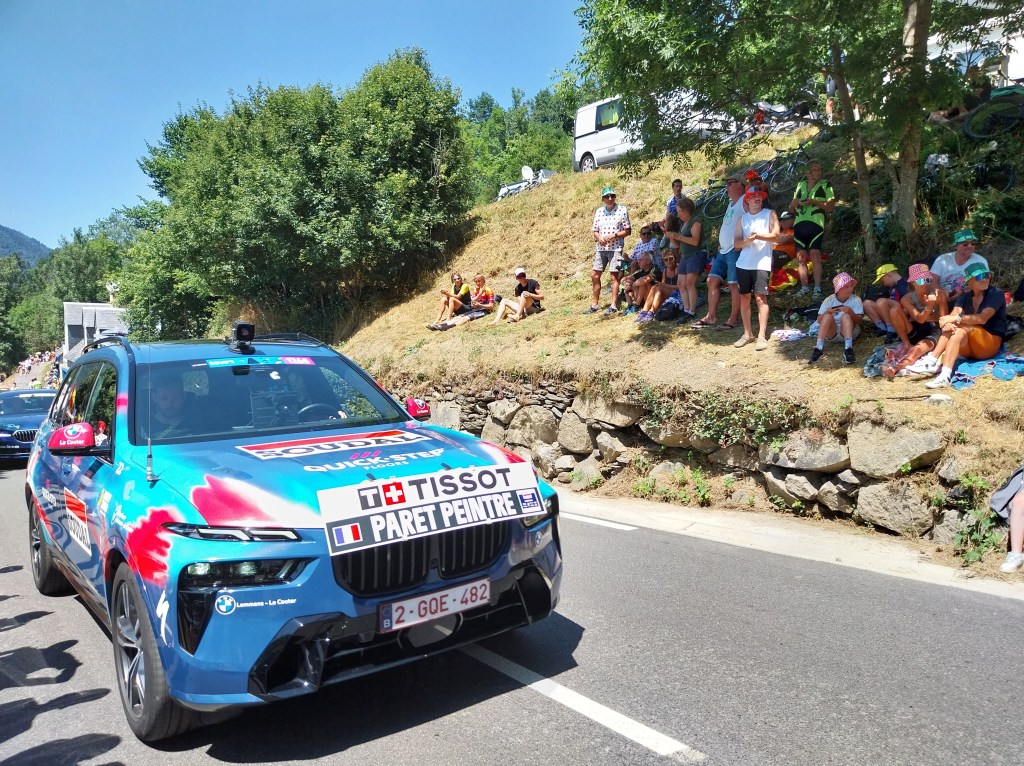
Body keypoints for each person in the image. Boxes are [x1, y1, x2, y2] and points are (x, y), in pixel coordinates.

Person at [925, 262, 1007, 389]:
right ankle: (940, 371)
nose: (985, 279)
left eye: (987, 275)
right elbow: (953, 315)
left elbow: (982, 319)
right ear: (970, 281)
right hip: (969, 349)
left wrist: (953, 319)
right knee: (957, 330)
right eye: (980, 277)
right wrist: (948, 322)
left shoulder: (995, 293)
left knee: (961, 328)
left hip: (989, 344)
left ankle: (932, 360)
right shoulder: (965, 297)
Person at [692, 177, 744, 330]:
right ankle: (711, 316)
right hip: (723, 250)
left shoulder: (745, 200)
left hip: (735, 250)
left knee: (734, 285)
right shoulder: (730, 203)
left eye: (730, 183)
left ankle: (733, 319)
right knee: (711, 281)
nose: (727, 186)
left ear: (740, 184)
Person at [732, 186, 779, 350]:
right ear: (747, 200)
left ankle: (761, 336)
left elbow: (776, 235)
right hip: (743, 264)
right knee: (744, 297)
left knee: (760, 298)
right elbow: (737, 243)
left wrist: (758, 236)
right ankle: (747, 334)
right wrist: (747, 242)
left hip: (762, 263)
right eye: (753, 196)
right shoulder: (742, 219)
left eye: (760, 195)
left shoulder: (769, 214)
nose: (757, 198)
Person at [884, 264, 949, 377]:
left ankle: (895, 368)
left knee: (917, 350)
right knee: (895, 310)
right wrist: (929, 308)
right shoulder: (907, 298)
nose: (924, 283)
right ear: (912, 282)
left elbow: (944, 319)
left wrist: (933, 314)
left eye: (927, 280)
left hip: (933, 331)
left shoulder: (939, 294)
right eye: (920, 281)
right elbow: (919, 319)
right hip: (916, 329)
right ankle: (906, 343)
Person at [788, 161, 835, 296]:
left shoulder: (826, 185)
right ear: (807, 172)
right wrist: (792, 204)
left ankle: (817, 288)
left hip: (816, 223)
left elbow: (830, 207)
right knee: (801, 257)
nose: (818, 172)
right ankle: (804, 288)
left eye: (819, 170)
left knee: (815, 254)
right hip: (799, 223)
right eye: (815, 170)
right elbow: (791, 209)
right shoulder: (800, 185)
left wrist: (814, 202)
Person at [586, 187, 631, 316]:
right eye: (607, 196)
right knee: (595, 274)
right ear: (603, 199)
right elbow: (594, 230)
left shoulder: (622, 210)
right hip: (601, 248)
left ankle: (613, 305)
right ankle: (594, 305)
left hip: (615, 247)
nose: (610, 198)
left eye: (612, 196)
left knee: (614, 276)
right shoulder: (599, 211)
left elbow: (628, 230)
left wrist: (614, 235)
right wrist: (599, 238)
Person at [808, 272, 863, 364]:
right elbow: (818, 320)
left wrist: (850, 312)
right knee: (827, 316)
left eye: (851, 286)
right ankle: (818, 348)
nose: (850, 289)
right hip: (831, 333)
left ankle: (848, 349)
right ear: (838, 289)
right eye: (846, 287)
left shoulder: (856, 299)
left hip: (849, 332)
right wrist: (827, 312)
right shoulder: (829, 300)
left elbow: (859, 321)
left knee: (846, 316)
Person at [662, 197, 703, 318]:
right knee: (681, 284)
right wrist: (671, 237)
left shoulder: (695, 222)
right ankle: (686, 309)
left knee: (690, 283)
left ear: (686, 210)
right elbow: (678, 246)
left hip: (695, 254)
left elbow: (695, 241)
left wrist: (678, 236)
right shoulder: (684, 224)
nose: (678, 214)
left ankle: (692, 311)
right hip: (685, 255)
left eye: (679, 211)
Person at [930, 229, 989, 302]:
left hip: (967, 298)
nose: (970, 246)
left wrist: (965, 292)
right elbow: (931, 280)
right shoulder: (943, 259)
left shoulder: (980, 261)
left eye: (973, 243)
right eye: (965, 244)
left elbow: (984, 281)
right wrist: (941, 292)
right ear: (955, 246)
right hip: (941, 297)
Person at [430, 274, 495, 331]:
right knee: (459, 317)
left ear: (484, 281)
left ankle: (447, 326)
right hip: (476, 309)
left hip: (484, 310)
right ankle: (442, 324)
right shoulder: (476, 290)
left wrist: (479, 304)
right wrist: (479, 297)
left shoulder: (488, 290)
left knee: (465, 318)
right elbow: (474, 302)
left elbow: (491, 306)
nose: (477, 283)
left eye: (479, 281)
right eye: (476, 282)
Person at [862, 264, 908, 341]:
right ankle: (882, 328)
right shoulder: (892, 286)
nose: (884, 284)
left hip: (899, 313)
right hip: (891, 313)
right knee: (866, 303)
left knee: (881, 302)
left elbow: (907, 302)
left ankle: (892, 330)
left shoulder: (904, 284)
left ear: (888, 275)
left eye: (883, 281)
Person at [141, 372, 193, 439]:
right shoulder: (143, 427)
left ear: (183, 396)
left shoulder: (196, 422)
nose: (170, 404)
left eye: (176, 398)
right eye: (164, 399)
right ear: (154, 397)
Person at [637, 251, 679, 323]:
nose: (669, 261)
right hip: (668, 294)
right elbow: (662, 285)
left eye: (671, 259)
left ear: (675, 259)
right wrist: (661, 285)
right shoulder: (665, 272)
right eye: (666, 260)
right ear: (664, 262)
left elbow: (679, 287)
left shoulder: (678, 269)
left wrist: (664, 285)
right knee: (654, 287)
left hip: (677, 294)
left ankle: (651, 312)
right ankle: (645, 311)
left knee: (659, 287)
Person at [622, 251, 661, 320]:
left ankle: (637, 306)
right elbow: (624, 279)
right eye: (638, 259)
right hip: (642, 296)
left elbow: (647, 279)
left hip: (652, 297)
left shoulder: (654, 268)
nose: (638, 262)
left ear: (648, 261)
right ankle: (630, 306)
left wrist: (632, 284)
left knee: (643, 283)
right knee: (629, 282)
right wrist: (626, 282)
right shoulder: (641, 271)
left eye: (640, 260)